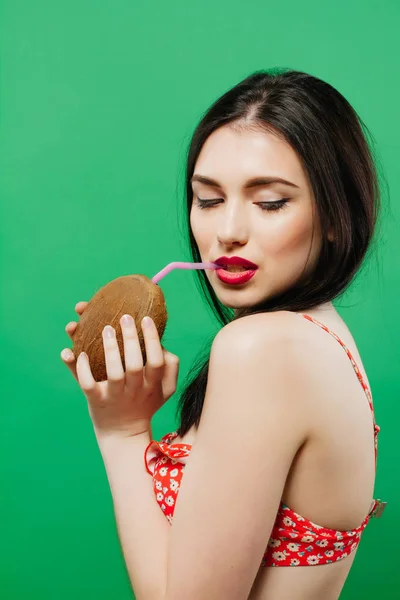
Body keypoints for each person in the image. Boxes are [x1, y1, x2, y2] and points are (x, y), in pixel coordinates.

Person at [61, 68, 386, 600]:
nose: (228, 231)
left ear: (335, 213)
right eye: (208, 200)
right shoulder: (325, 337)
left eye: (270, 202)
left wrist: (121, 432)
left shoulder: (262, 350)